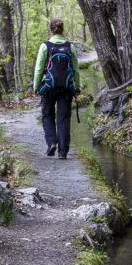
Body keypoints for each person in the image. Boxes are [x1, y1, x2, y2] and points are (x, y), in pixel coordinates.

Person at [33, 18, 81, 159]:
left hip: (49, 87)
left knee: (47, 115)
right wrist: (77, 87)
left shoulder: (45, 46)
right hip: (66, 88)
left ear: (51, 30)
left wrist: (36, 86)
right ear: (62, 30)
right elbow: (75, 70)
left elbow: (38, 69)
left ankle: (51, 143)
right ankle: (63, 152)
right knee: (64, 118)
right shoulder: (69, 46)